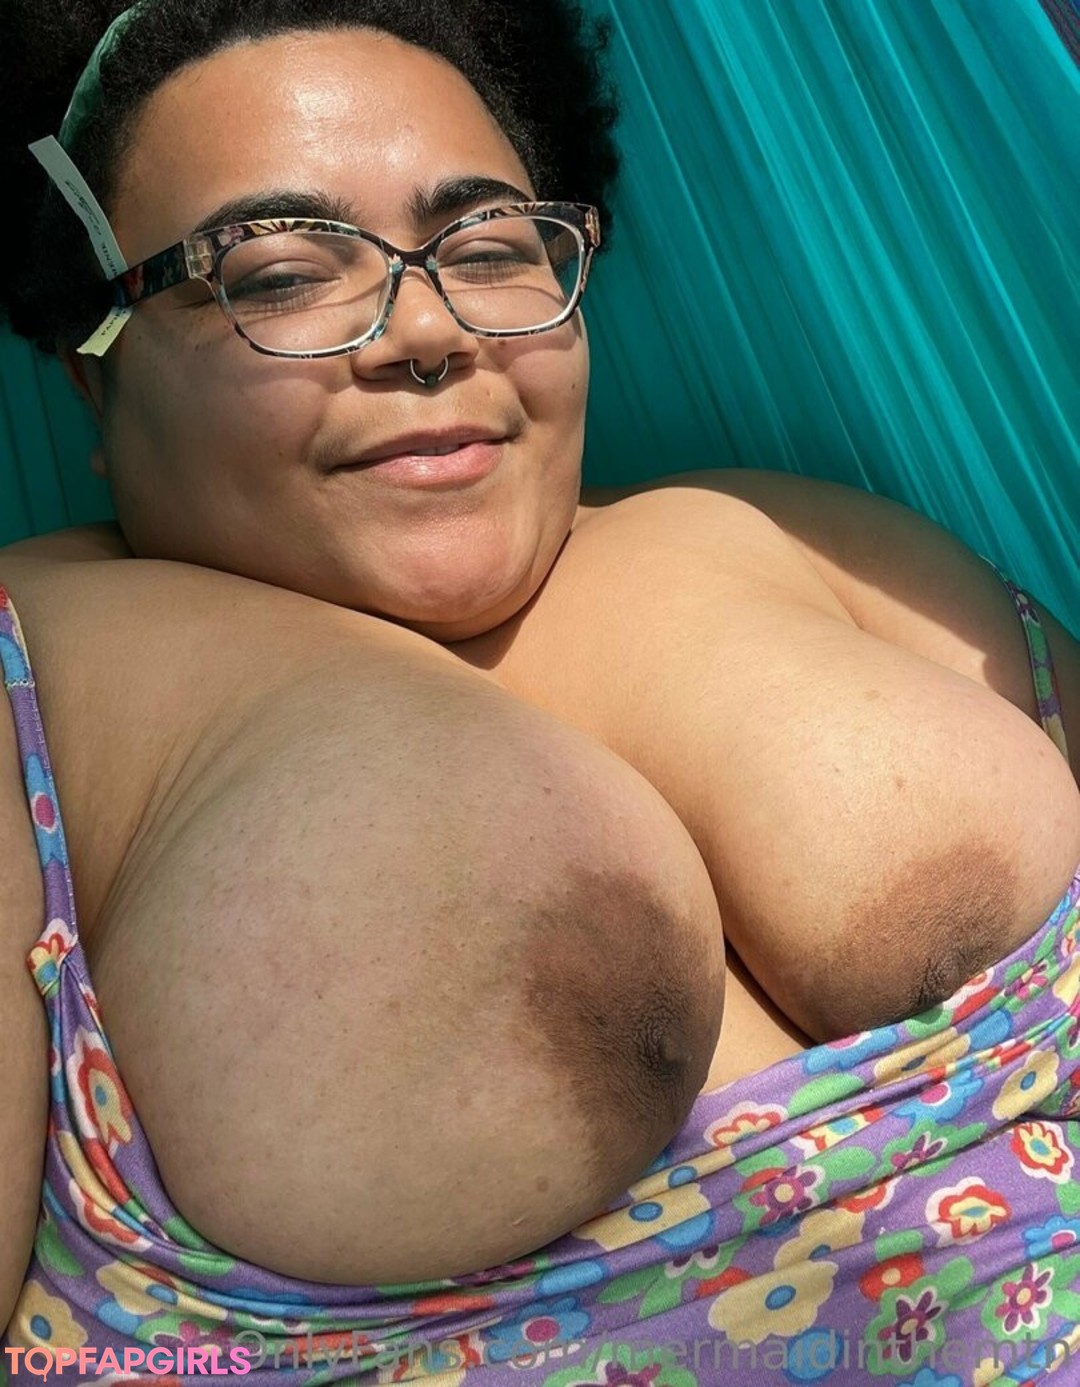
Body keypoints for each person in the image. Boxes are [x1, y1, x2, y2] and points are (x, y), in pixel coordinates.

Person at [0, 0, 1077, 1381]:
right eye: (280, 275)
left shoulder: (799, 541)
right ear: (92, 376)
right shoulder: (38, 692)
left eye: (492, 247)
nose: (425, 331)